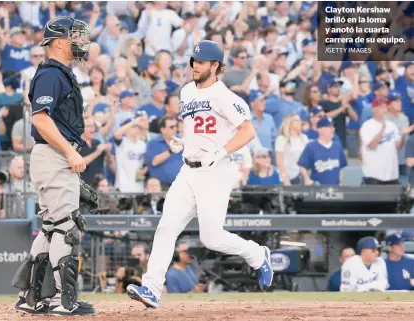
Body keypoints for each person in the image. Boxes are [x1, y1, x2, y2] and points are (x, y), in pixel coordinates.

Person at [126, 40, 273, 309]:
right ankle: (152, 287)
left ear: (215, 66)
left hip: (215, 172)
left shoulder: (224, 96)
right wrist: (185, 143)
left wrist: (219, 152)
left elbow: (248, 132)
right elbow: (199, 129)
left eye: (202, 62)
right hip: (188, 170)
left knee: (211, 238)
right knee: (166, 227)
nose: (195, 65)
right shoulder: (186, 92)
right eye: (194, 60)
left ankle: (257, 254)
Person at [10, 17, 95, 316]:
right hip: (54, 155)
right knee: (67, 228)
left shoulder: (59, 73)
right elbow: (40, 118)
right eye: (74, 36)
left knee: (50, 229)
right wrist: (69, 154)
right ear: (59, 41)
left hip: (49, 156)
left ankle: (30, 297)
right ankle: (63, 300)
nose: (80, 41)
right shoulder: (51, 74)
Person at [360, 98, 413, 185]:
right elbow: (372, 146)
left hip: (391, 174)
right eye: (382, 107)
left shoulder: (392, 125)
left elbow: (398, 147)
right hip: (373, 174)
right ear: (374, 109)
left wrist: (403, 135)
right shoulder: (367, 126)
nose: (385, 109)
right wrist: (382, 130)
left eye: (385, 106)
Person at [298, 116, 347, 185]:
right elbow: (302, 165)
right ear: (319, 129)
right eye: (328, 127)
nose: (332, 129)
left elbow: (341, 167)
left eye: (333, 127)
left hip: (335, 187)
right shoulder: (311, 146)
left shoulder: (337, 146)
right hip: (317, 188)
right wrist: (307, 179)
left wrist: (340, 181)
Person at [145, 116, 183, 190]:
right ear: (163, 129)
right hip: (161, 187)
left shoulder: (181, 141)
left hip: (180, 186)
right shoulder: (153, 143)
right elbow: (154, 162)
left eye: (176, 126)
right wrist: (170, 151)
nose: (175, 129)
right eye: (172, 127)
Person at [275, 114, 308, 185]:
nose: (300, 122)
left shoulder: (304, 138)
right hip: (286, 177)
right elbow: (279, 162)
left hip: (300, 176)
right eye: (296, 120)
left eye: (300, 120)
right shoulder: (282, 139)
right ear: (289, 123)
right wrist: (285, 179)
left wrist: (306, 177)